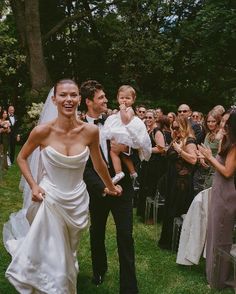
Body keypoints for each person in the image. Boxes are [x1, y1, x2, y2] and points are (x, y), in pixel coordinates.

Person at [3, 79, 122, 293]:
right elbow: (21, 158)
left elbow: (99, 164)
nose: (68, 99)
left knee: (68, 254)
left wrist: (110, 187)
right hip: (51, 199)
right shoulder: (42, 132)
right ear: (54, 99)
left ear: (79, 99)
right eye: (63, 95)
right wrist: (34, 185)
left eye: (73, 95)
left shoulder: (90, 132)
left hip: (77, 201)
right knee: (58, 264)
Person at [80, 80, 139, 294]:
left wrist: (127, 149)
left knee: (125, 235)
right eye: (101, 97)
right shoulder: (80, 128)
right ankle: (99, 270)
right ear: (88, 102)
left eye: (106, 96)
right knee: (97, 232)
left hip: (123, 187)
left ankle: (129, 286)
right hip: (99, 193)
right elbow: (84, 168)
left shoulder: (118, 119)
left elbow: (137, 145)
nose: (106, 100)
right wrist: (103, 188)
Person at [198, 110, 236, 290]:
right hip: (219, 188)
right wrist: (208, 158)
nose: (222, 126)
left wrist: (210, 157)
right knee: (214, 231)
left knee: (221, 234)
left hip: (227, 193)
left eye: (226, 123)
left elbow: (228, 171)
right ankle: (213, 274)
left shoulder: (235, 145)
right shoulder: (227, 141)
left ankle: (219, 279)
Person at [158, 116, 197, 250]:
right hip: (172, 180)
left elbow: (193, 160)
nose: (174, 130)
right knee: (170, 211)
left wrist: (180, 151)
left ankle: (178, 244)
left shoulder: (190, 141)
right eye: (172, 127)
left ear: (184, 127)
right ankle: (169, 242)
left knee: (177, 212)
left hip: (182, 183)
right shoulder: (177, 139)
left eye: (177, 127)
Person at [103, 85, 151, 184]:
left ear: (133, 100)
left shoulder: (129, 110)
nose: (124, 100)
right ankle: (132, 172)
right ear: (117, 98)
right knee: (122, 155)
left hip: (124, 134)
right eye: (122, 98)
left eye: (128, 98)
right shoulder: (112, 116)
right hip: (119, 134)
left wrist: (122, 109)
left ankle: (119, 172)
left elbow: (125, 121)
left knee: (115, 152)